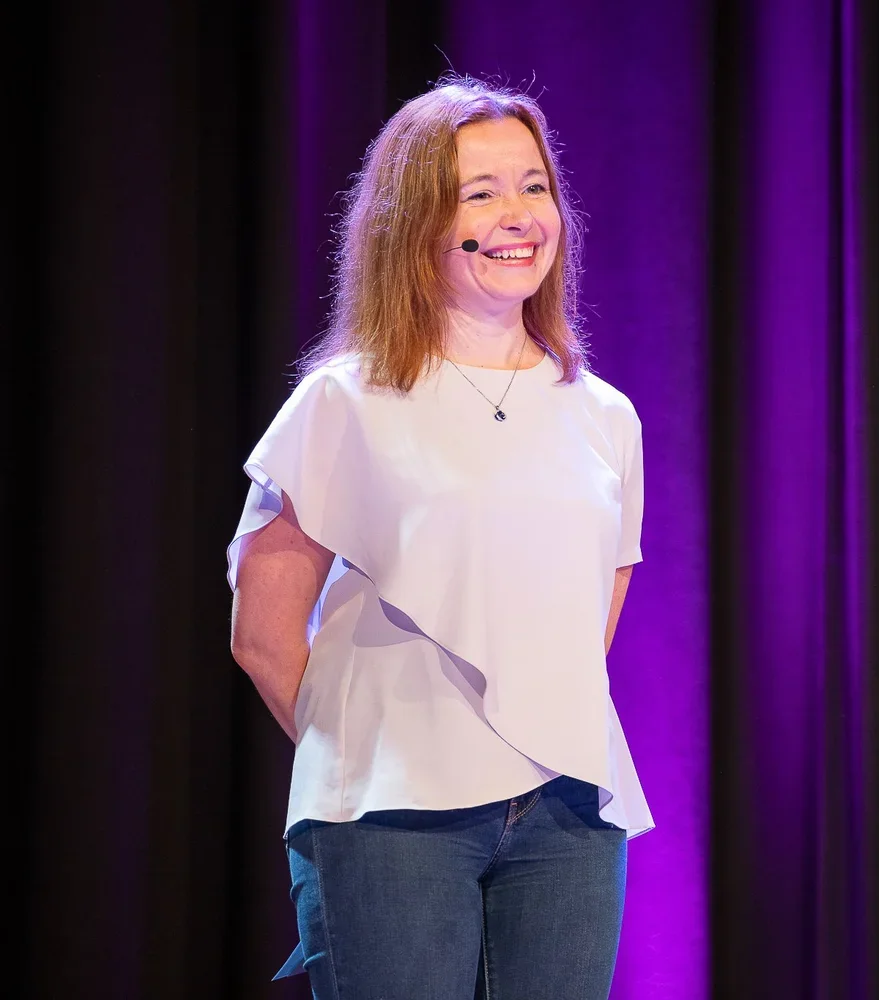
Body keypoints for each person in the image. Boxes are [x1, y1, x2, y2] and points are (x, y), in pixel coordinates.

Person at [226, 75, 653, 1000]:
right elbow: (263, 634)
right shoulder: (345, 401)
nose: (518, 215)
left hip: (570, 815)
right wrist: (370, 745)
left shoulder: (603, 415)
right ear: (415, 222)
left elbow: (589, 624)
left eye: (534, 186)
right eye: (480, 191)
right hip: (390, 819)